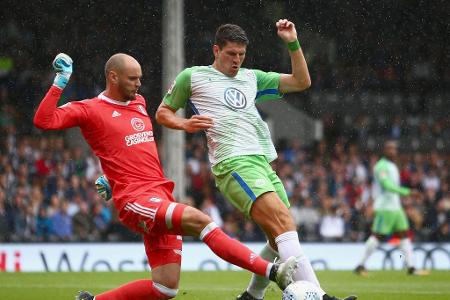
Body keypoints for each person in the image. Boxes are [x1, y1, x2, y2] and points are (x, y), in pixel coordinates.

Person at [33, 53, 299, 300]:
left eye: (140, 78)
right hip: (136, 199)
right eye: (132, 78)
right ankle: (274, 273)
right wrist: (60, 82)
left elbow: (126, 149)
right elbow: (44, 121)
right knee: (200, 220)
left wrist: (110, 179)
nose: (139, 84)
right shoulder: (90, 109)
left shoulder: (139, 102)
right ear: (113, 77)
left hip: (159, 194)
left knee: (165, 287)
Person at [155, 19, 356, 300]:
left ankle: (252, 296)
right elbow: (163, 112)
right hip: (233, 163)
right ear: (216, 50)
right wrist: (184, 124)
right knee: (283, 222)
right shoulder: (193, 77)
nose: (236, 60)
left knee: (278, 238)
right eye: (230, 54)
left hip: (262, 162)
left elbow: (302, 82)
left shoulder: (251, 78)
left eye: (241, 55)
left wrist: (292, 43)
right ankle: (320, 296)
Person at [354, 140, 429, 276]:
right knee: (377, 236)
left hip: (396, 207)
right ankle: (360, 265)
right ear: (384, 150)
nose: (393, 151)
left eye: (394, 149)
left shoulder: (393, 166)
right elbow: (387, 185)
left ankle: (411, 267)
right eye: (390, 149)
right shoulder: (381, 166)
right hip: (385, 207)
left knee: (404, 234)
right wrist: (408, 192)